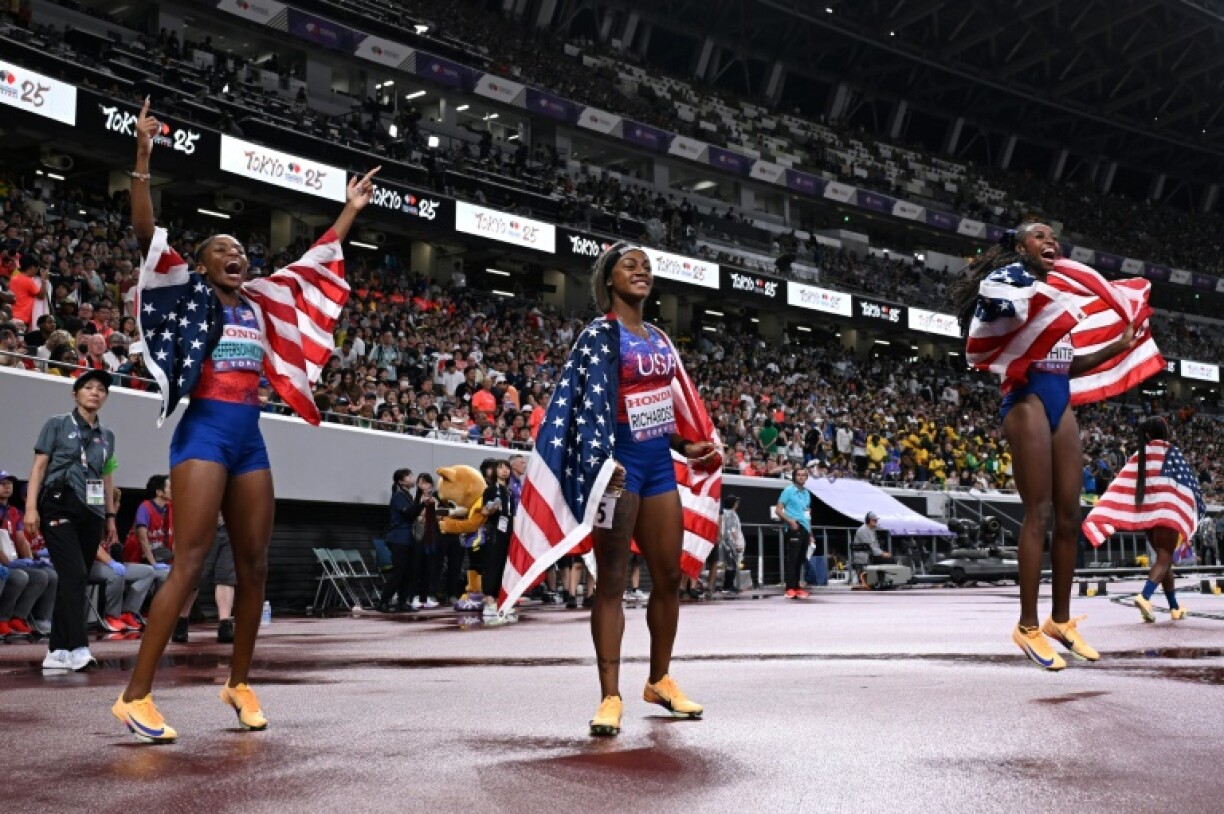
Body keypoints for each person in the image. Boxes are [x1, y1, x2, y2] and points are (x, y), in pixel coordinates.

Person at [112, 99, 378, 743]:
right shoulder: (187, 291)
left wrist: (349, 210)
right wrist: (144, 157)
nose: (236, 255)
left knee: (255, 567)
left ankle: (239, 682)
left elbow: (317, 259)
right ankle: (135, 697)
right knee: (191, 561)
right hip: (203, 433)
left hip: (249, 439)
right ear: (202, 264)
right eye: (221, 249)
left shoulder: (260, 303)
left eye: (239, 249)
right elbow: (148, 236)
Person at [498, 241, 723, 737]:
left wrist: (688, 446)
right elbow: (578, 410)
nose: (642, 271)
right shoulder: (598, 336)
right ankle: (610, 696)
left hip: (658, 466)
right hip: (616, 470)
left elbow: (663, 410)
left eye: (647, 266)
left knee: (668, 575)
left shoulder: (660, 339)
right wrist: (599, 464)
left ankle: (660, 679)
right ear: (609, 279)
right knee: (614, 580)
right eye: (630, 265)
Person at [954, 222, 1154, 671]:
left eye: (1054, 238)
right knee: (1038, 512)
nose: (1051, 243)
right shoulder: (1012, 289)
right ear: (1021, 246)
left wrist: (1118, 345)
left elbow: (1068, 363)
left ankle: (1059, 621)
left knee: (1070, 516)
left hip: (1060, 401)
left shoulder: (1056, 301)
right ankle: (1026, 626)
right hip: (1024, 401)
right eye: (1040, 236)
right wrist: (1013, 291)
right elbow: (991, 325)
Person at [23, 369, 118, 671]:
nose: (95, 392)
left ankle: (56, 652)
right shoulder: (57, 424)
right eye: (88, 387)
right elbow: (39, 467)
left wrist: (111, 515)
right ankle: (78, 646)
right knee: (75, 573)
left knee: (74, 577)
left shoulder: (107, 436)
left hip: (92, 511)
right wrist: (30, 508)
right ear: (75, 394)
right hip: (58, 505)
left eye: (101, 389)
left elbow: (107, 475)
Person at [1082, 417, 1206, 624]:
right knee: (1165, 558)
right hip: (1167, 513)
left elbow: (1120, 485)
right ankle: (1144, 596)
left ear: (1148, 435)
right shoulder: (1171, 453)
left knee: (1162, 559)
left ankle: (1174, 607)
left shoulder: (1139, 456)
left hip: (1148, 515)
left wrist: (1103, 509)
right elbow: (1190, 483)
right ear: (1165, 432)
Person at [379, 468, 420, 612]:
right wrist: (421, 498)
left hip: (409, 538)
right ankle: (384, 601)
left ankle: (403, 602)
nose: (412, 478)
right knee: (399, 572)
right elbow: (410, 513)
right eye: (408, 476)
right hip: (399, 538)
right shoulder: (398, 496)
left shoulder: (408, 495)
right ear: (401, 481)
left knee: (410, 572)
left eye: (411, 475)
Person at [775, 466, 812, 599]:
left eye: (803, 475)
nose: (801, 477)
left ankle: (797, 587)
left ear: (806, 478)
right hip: (794, 527)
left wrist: (811, 533)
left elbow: (807, 514)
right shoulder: (788, 490)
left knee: (800, 559)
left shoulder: (807, 493)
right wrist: (790, 521)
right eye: (799, 475)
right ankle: (789, 588)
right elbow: (778, 510)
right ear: (794, 477)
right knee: (792, 559)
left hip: (805, 528)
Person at [851, 512, 891, 588]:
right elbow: (870, 546)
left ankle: (883, 580)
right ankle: (881, 580)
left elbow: (876, 545)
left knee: (889, 558)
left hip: (871, 554)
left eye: (876, 520)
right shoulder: (862, 530)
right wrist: (882, 554)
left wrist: (882, 553)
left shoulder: (872, 530)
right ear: (869, 520)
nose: (876, 522)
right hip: (865, 556)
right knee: (889, 559)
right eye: (874, 520)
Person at [715, 494, 746, 594]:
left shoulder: (722, 513)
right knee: (731, 564)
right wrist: (738, 543)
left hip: (723, 542)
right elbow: (733, 530)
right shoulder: (731, 514)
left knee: (726, 564)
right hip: (729, 543)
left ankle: (725, 585)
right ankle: (728, 586)